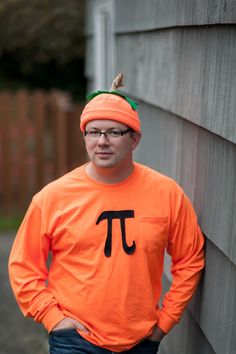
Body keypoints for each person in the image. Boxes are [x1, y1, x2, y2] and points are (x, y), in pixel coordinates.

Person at [9, 73, 204, 354]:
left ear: (134, 139)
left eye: (114, 132)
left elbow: (190, 258)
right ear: (85, 136)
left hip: (141, 340)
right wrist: (53, 317)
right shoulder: (53, 197)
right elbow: (23, 265)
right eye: (93, 131)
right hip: (74, 339)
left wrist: (167, 319)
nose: (102, 141)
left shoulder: (166, 194)